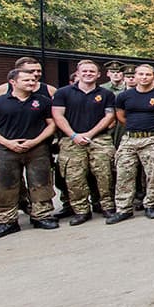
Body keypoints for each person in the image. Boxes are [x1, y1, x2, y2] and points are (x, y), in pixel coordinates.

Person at [0, 68, 58, 239]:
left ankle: (41, 216)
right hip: (6, 150)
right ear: (13, 82)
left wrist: (35, 141)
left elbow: (51, 124)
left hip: (37, 149)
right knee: (5, 185)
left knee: (41, 182)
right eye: (26, 80)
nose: (31, 83)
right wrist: (7, 142)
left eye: (33, 80)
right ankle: (7, 221)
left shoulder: (43, 101)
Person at [107, 64, 154, 224]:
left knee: (153, 174)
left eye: (148, 74)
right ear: (135, 76)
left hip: (153, 139)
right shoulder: (124, 96)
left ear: (153, 76)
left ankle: (151, 205)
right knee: (124, 173)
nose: (144, 77)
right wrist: (135, 128)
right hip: (130, 139)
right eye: (141, 74)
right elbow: (121, 116)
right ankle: (123, 208)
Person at [51, 59, 117, 225]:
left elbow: (109, 116)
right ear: (78, 73)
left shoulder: (106, 94)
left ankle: (107, 206)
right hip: (71, 140)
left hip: (99, 139)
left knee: (105, 174)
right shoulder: (63, 93)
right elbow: (58, 116)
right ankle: (81, 210)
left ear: (98, 75)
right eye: (85, 71)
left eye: (92, 71)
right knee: (74, 177)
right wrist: (74, 135)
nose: (88, 74)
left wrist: (90, 134)